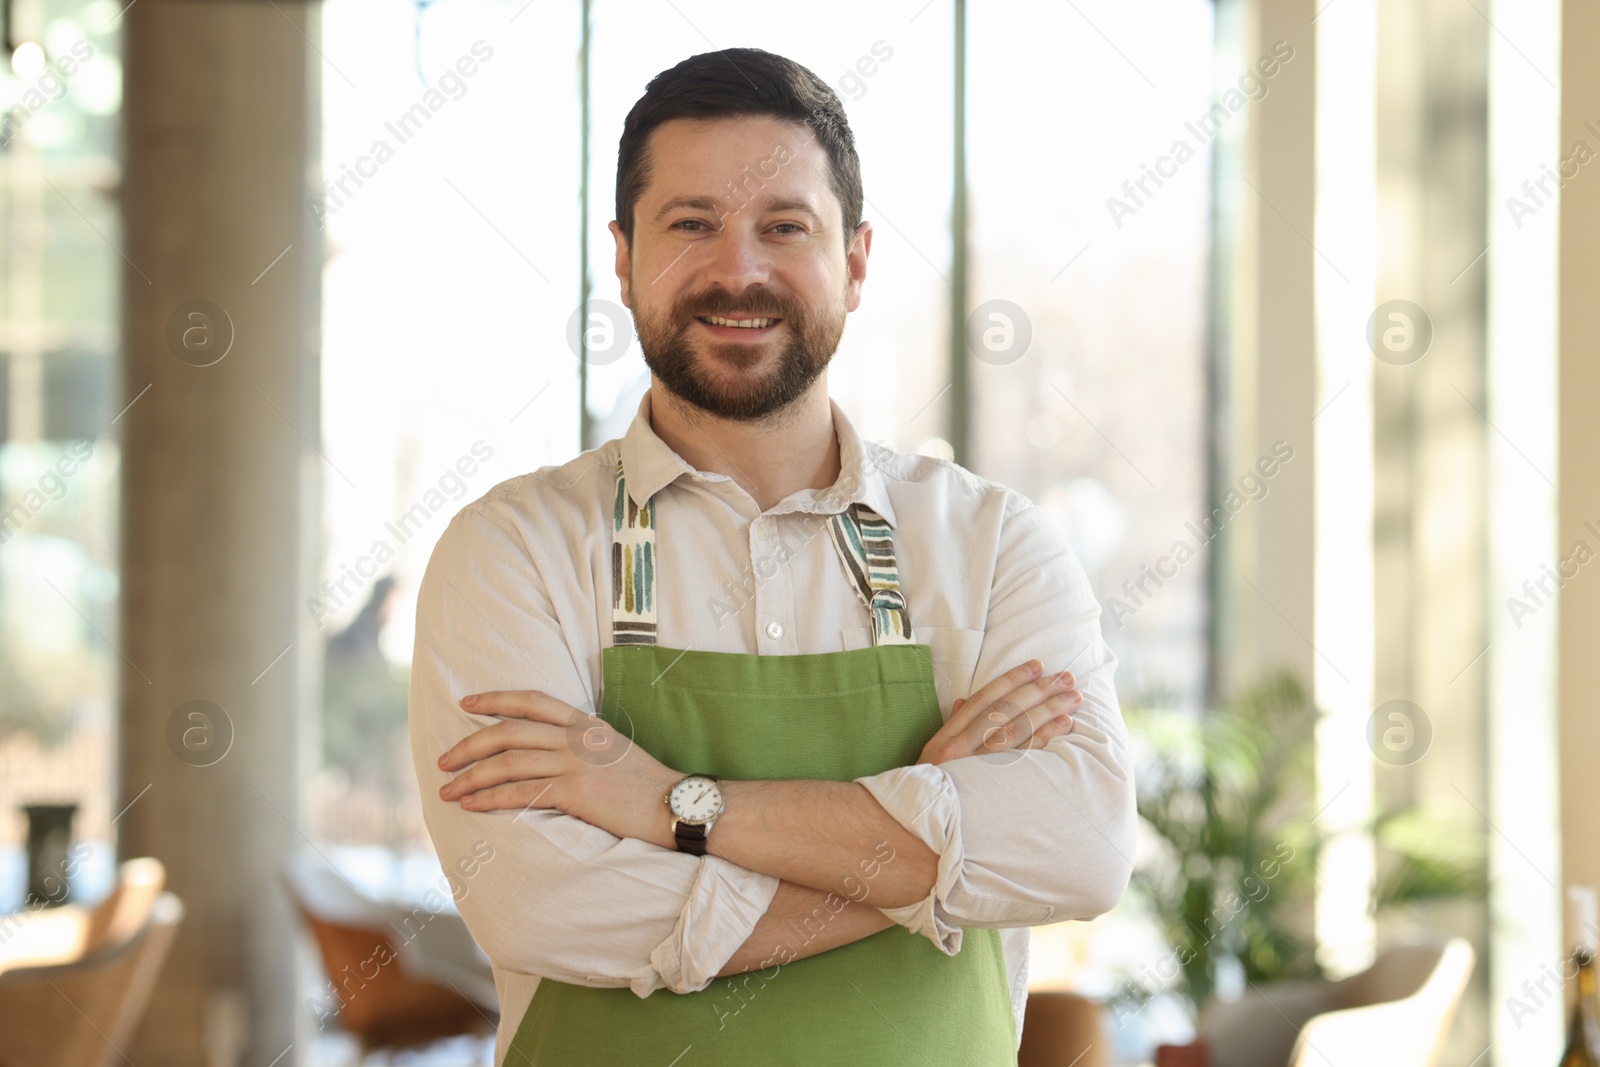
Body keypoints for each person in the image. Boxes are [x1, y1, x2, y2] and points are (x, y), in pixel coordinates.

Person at [409, 46, 1135, 1067]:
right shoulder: (511, 550)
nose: (737, 270)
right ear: (622, 258)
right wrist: (927, 855)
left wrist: (671, 804)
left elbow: (1081, 849)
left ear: (856, 258)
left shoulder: (991, 544)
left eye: (783, 227)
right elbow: (542, 906)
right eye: (691, 224)